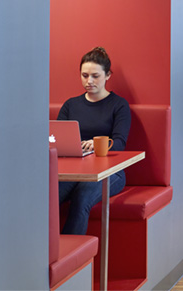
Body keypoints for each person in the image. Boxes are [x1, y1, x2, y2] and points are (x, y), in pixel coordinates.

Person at [57, 47, 131, 235]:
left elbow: (120, 142)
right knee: (46, 197)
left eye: (95, 76)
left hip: (110, 172)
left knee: (82, 198)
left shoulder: (119, 105)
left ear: (108, 76)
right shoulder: (70, 105)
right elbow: (57, 138)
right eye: (84, 75)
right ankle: (41, 252)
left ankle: (71, 259)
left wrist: (98, 143)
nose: (89, 81)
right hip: (74, 171)